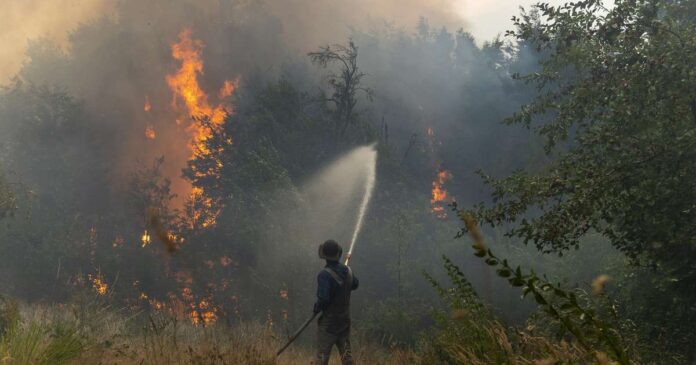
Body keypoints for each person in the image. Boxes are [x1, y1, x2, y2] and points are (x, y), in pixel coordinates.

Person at [314, 239, 359, 365]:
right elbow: (355, 284)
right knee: (347, 358)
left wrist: (316, 308)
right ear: (338, 253)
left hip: (328, 325)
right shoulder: (348, 271)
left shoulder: (324, 275)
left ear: (324, 256)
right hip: (344, 322)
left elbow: (323, 299)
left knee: (322, 358)